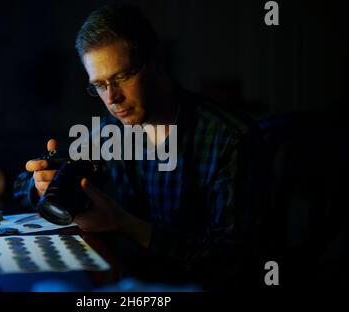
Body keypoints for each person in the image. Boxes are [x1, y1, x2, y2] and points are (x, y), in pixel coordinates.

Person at [14, 4, 263, 289]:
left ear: (157, 61)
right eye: (99, 85)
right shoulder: (110, 130)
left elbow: (232, 260)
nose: (112, 98)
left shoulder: (229, 139)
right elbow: (22, 186)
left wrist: (126, 224)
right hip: (130, 281)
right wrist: (44, 182)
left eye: (122, 77)